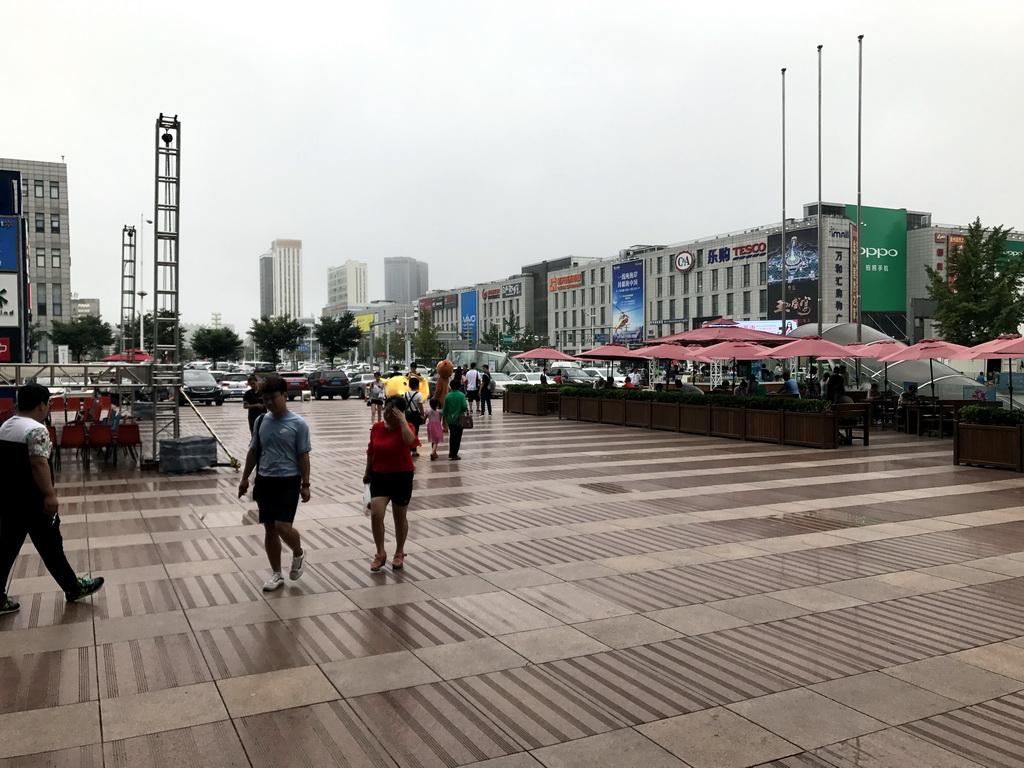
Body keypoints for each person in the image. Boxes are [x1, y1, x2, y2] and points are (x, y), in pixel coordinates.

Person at [0, 384, 104, 615]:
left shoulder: (6, 426)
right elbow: (38, 463)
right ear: (41, 405)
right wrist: (49, 494)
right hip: (33, 500)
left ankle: (71, 586)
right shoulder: (36, 429)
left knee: (7, 548)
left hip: (9, 499)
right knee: (50, 546)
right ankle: (73, 588)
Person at [238, 374, 310, 592]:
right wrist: (244, 478)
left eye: (273, 398)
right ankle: (276, 573)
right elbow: (254, 451)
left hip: (288, 480)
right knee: (269, 528)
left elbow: (303, 456)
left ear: (285, 396)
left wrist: (305, 484)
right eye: (266, 399)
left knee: (282, 526)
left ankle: (298, 551)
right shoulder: (261, 421)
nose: (269, 403)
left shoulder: (298, 424)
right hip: (265, 480)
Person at [363, 395, 419, 571]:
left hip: (402, 476)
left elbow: (410, 442)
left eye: (392, 412)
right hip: (380, 476)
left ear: (401, 413)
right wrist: (367, 472)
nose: (387, 415)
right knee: (376, 514)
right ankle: (380, 553)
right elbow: (370, 451)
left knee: (399, 517)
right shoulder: (377, 428)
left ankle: (399, 552)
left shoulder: (407, 427)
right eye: (386, 411)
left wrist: (403, 421)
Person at [442, 385, 469, 461]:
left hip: (450, 419)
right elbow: (464, 406)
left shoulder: (447, 396)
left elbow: (445, 408)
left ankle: (451, 452)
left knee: (452, 436)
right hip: (459, 419)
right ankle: (455, 454)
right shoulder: (461, 395)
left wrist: (444, 419)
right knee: (458, 437)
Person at [404, 376, 426, 456]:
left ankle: (409, 448)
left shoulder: (405, 394)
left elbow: (405, 406)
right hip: (416, 415)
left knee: (408, 431)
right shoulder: (419, 395)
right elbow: (420, 406)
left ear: (409, 385)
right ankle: (414, 450)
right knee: (415, 432)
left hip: (408, 415)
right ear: (417, 385)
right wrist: (422, 415)